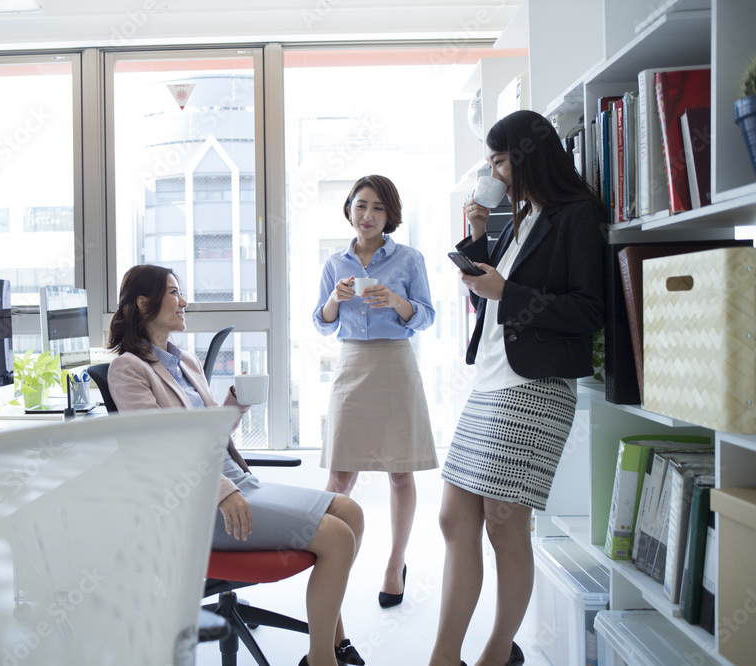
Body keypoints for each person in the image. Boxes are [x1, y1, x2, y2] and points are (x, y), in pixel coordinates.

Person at [107, 264, 366, 666]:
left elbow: (207, 436)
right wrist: (222, 491)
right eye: (173, 292)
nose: (183, 301)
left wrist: (235, 403)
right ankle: (321, 661)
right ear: (144, 304)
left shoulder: (185, 360)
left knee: (350, 512)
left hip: (230, 480)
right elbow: (159, 449)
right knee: (336, 537)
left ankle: (333, 642)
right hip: (192, 502)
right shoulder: (129, 369)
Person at [429, 110, 607, 666]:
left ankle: (493, 654)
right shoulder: (521, 218)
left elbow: (588, 310)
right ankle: (447, 655)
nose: (496, 172)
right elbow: (495, 294)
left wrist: (507, 288)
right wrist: (481, 240)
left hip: (533, 388)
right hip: (489, 383)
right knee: (455, 518)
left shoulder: (576, 215)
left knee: (507, 526)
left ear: (528, 157)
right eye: (492, 162)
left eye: (501, 161)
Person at [312, 174, 438, 609]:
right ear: (349, 208)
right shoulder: (335, 263)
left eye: (377, 208)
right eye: (361, 205)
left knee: (400, 472)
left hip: (395, 364)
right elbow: (321, 321)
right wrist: (334, 298)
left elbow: (425, 317)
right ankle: (327, 556)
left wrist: (397, 303)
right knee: (340, 475)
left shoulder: (409, 259)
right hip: (351, 365)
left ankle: (394, 563)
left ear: (390, 215)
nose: (367, 215)